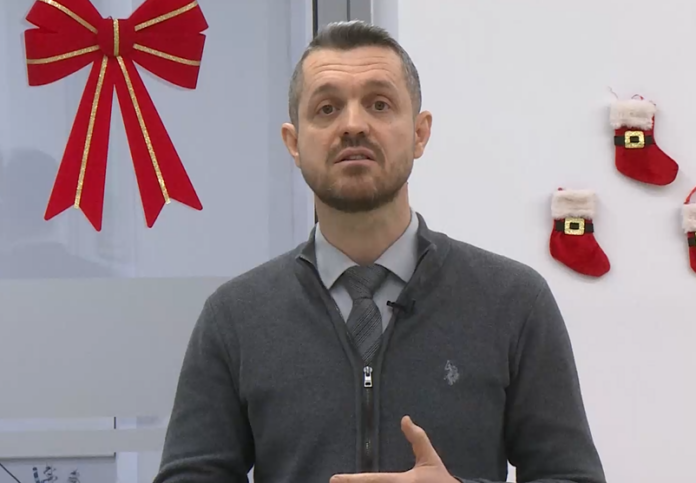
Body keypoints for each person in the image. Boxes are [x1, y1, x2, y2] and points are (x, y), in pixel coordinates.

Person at [153, 20, 606, 483]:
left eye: (379, 104)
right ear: (294, 143)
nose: (353, 125)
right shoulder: (235, 317)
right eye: (327, 108)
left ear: (420, 133)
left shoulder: (513, 302)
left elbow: (571, 476)